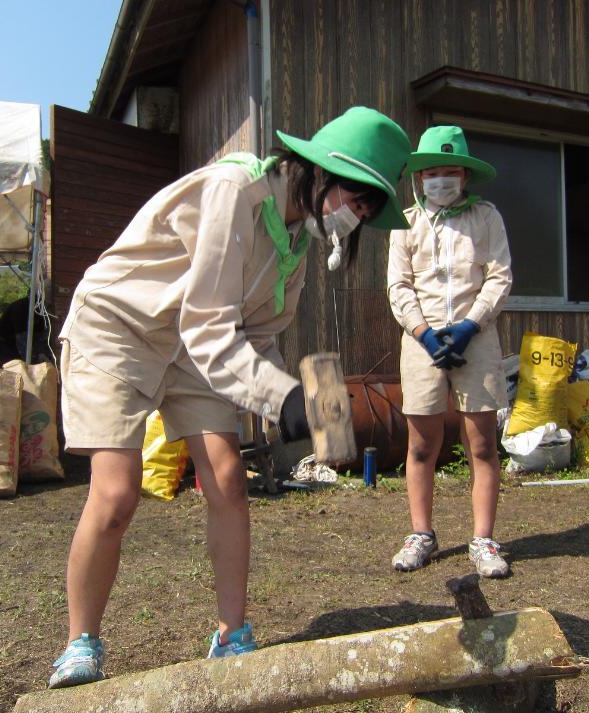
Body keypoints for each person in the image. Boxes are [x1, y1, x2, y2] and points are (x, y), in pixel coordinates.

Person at [49, 106, 411, 688]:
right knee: (116, 493)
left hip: (195, 345)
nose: (356, 215)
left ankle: (231, 635)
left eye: (367, 210)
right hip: (122, 325)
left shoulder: (296, 243)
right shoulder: (232, 191)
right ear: (318, 170)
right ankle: (80, 644)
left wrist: (284, 403)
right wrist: (287, 399)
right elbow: (212, 327)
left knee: (227, 479)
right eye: (356, 196)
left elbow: (258, 338)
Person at [387, 126, 512, 578]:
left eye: (450, 171)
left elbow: (498, 276)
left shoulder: (486, 217)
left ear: (465, 175)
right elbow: (398, 285)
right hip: (420, 342)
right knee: (421, 444)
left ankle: (483, 539)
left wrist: (467, 327)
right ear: (420, 178)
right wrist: (424, 333)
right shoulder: (405, 222)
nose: (441, 180)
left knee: (481, 442)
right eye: (432, 172)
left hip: (476, 339)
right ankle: (421, 533)